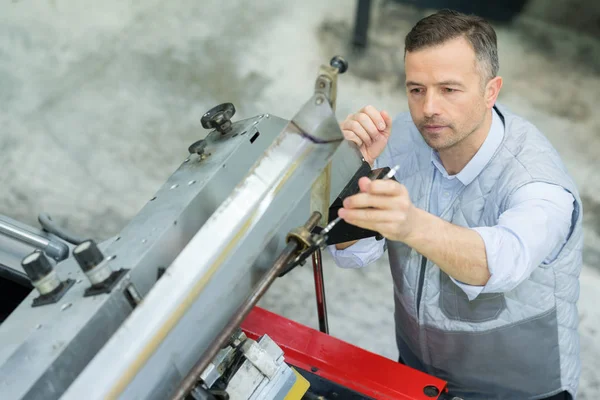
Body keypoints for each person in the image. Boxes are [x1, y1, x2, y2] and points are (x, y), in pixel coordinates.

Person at [330, 9, 582, 400]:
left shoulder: (538, 182)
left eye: (449, 89)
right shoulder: (402, 143)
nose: (429, 108)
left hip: (520, 392)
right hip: (418, 374)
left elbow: (502, 262)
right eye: (416, 89)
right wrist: (350, 172)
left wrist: (411, 225)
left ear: (490, 90)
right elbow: (354, 255)